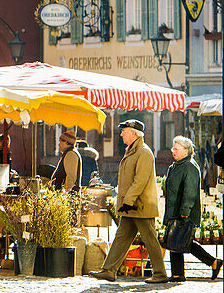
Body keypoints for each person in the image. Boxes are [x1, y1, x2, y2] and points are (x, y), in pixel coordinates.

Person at [89, 119, 169, 283]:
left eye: (124, 131)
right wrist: (126, 201)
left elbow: (139, 181)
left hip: (140, 206)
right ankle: (109, 270)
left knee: (150, 240)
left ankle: (160, 274)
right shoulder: (133, 151)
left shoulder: (144, 152)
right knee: (121, 238)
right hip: (132, 206)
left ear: (134, 133)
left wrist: (128, 201)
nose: (121, 134)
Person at [162, 135, 222, 281]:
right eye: (172, 148)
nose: (173, 151)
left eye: (176, 149)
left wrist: (184, 212)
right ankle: (210, 263)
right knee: (178, 241)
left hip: (183, 212)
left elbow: (189, 192)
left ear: (186, 150)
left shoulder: (189, 166)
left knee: (177, 240)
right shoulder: (176, 166)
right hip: (174, 210)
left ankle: (179, 274)